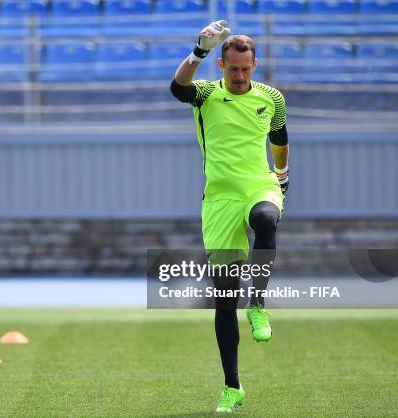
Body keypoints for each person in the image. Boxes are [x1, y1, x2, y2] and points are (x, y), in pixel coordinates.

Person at [170, 20, 290, 413]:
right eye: (233, 68)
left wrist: (282, 177)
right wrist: (199, 50)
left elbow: (279, 139)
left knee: (267, 222)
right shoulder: (206, 95)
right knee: (224, 299)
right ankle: (232, 386)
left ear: (255, 65)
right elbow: (177, 87)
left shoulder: (272, 98)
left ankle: (258, 303)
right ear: (222, 66)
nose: (240, 76)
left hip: (260, 187)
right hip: (220, 200)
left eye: (246, 68)